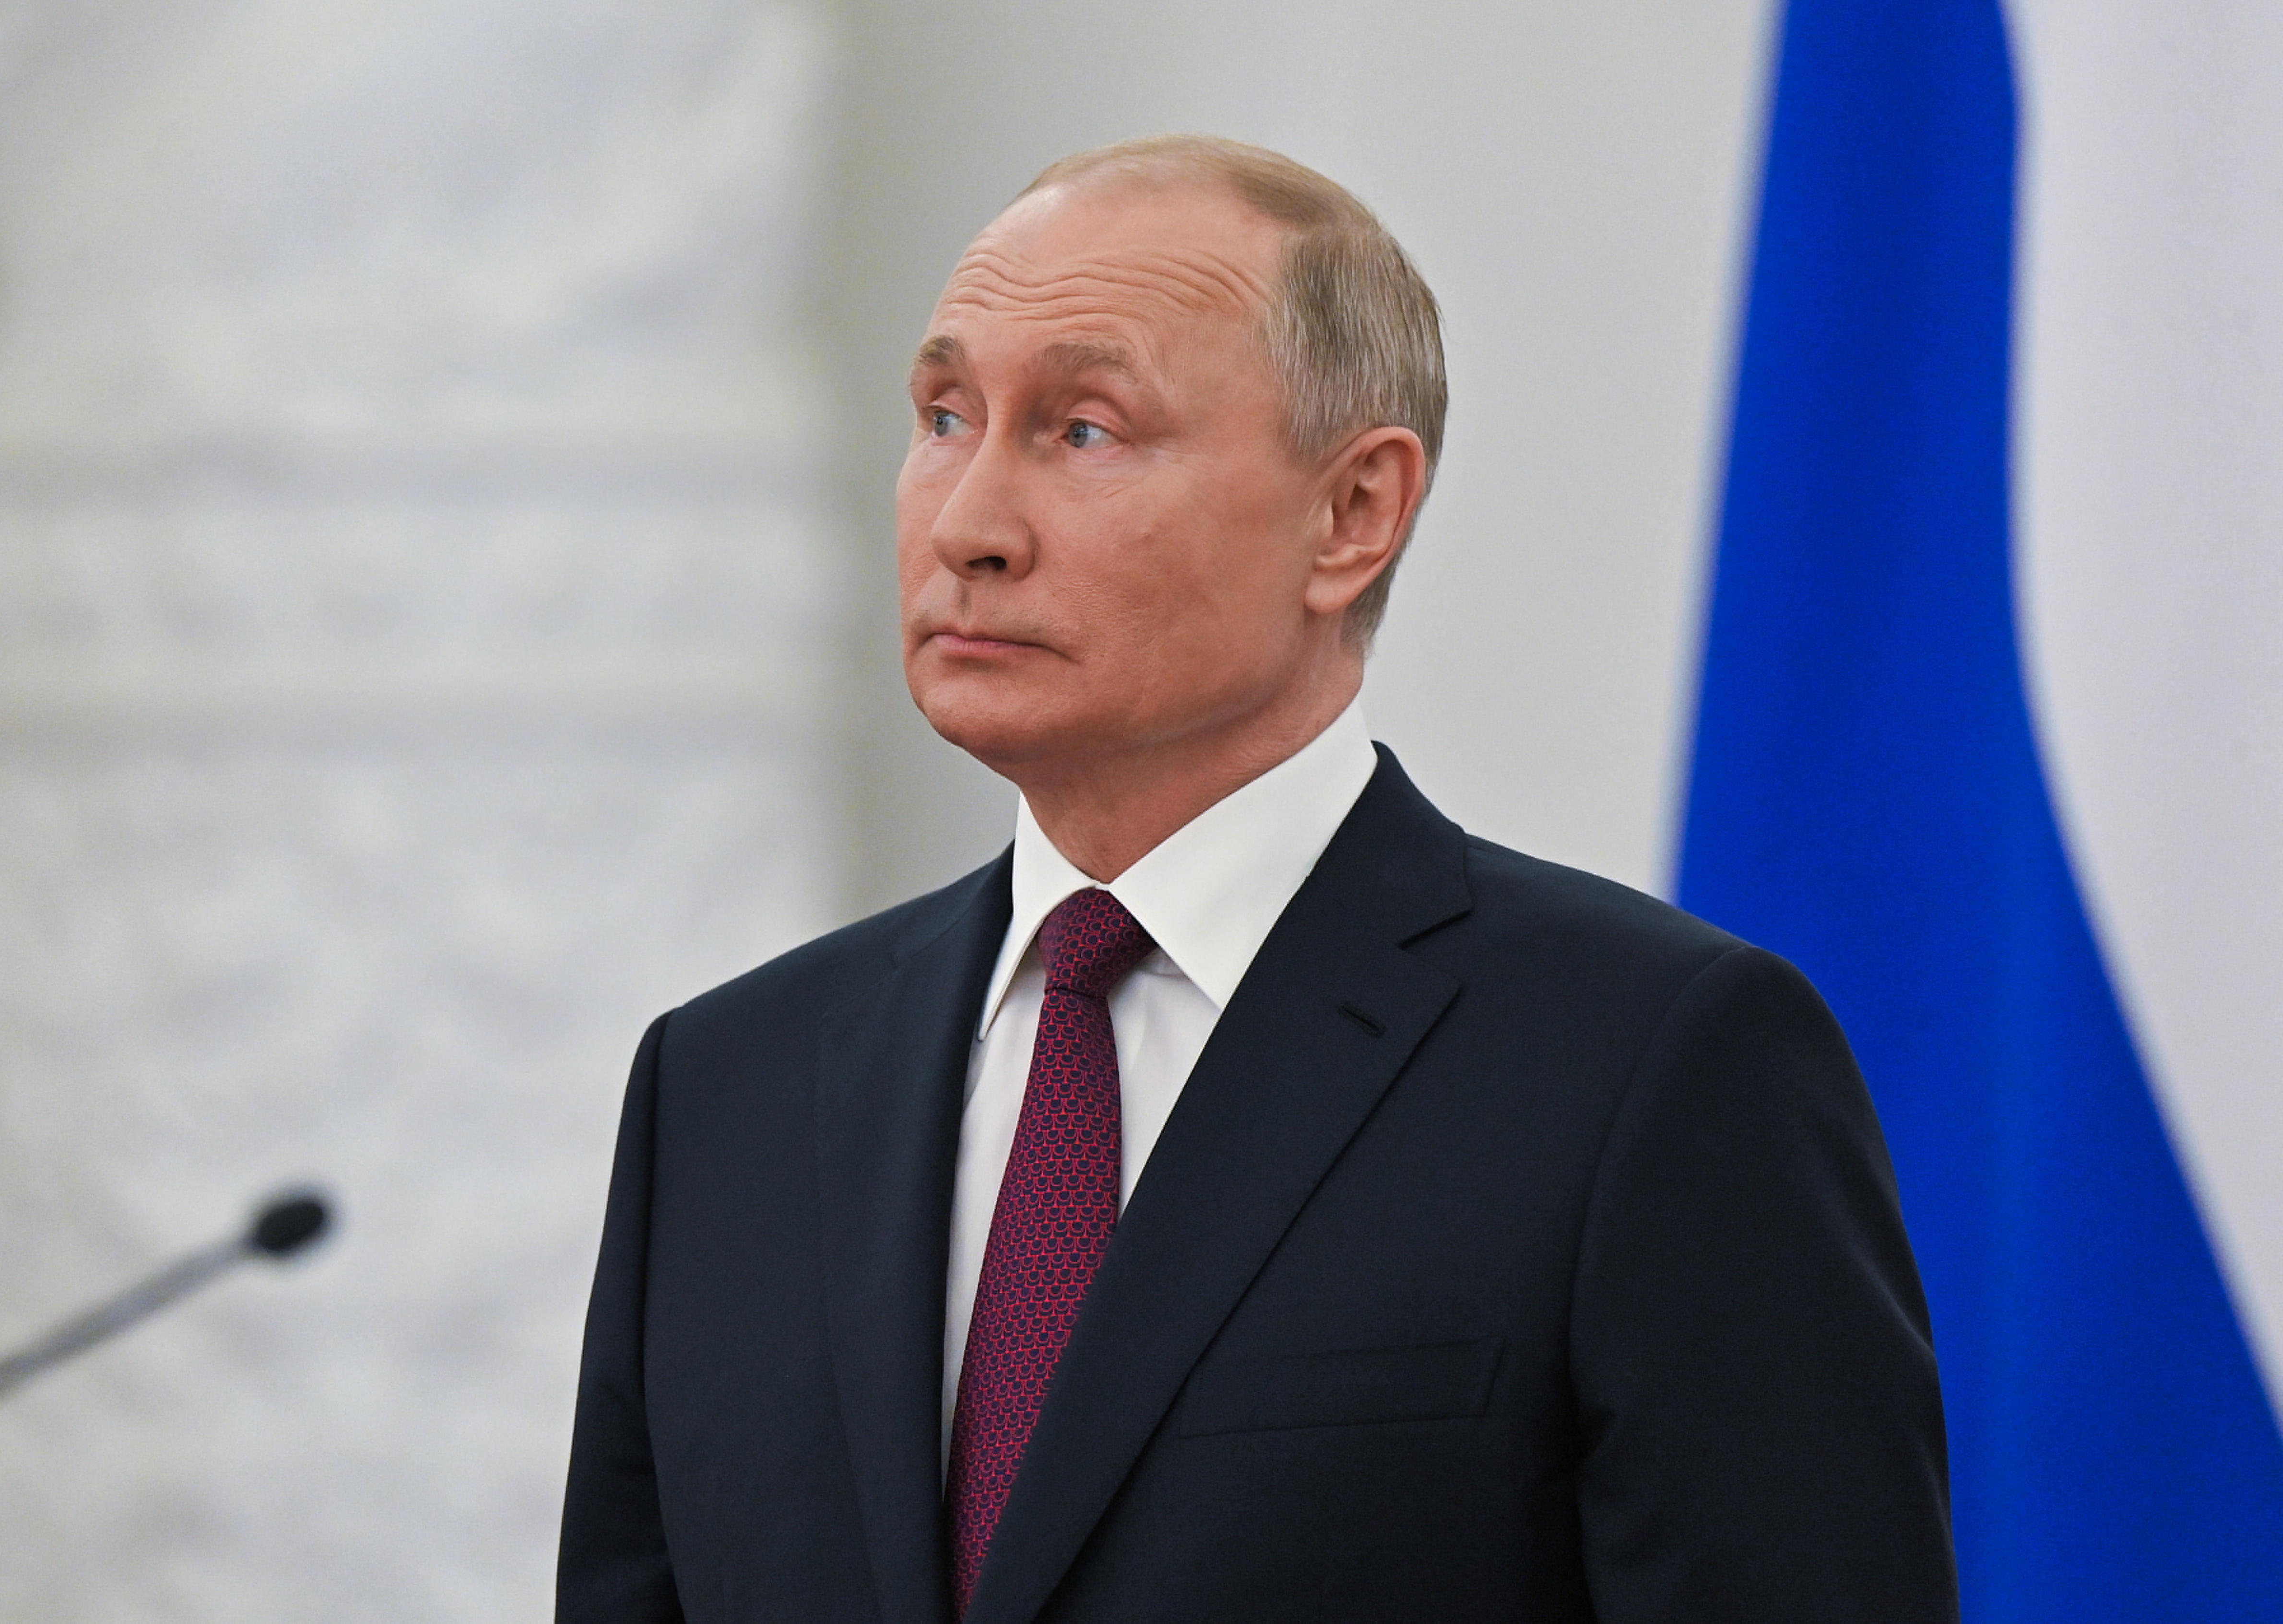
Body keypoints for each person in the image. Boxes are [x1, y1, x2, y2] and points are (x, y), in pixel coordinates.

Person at [557, 135, 1958, 1624]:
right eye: (946, 416)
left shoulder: (1651, 1067)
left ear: (1352, 513)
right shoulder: (727, 1087)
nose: (967, 527)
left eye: (1084, 430)